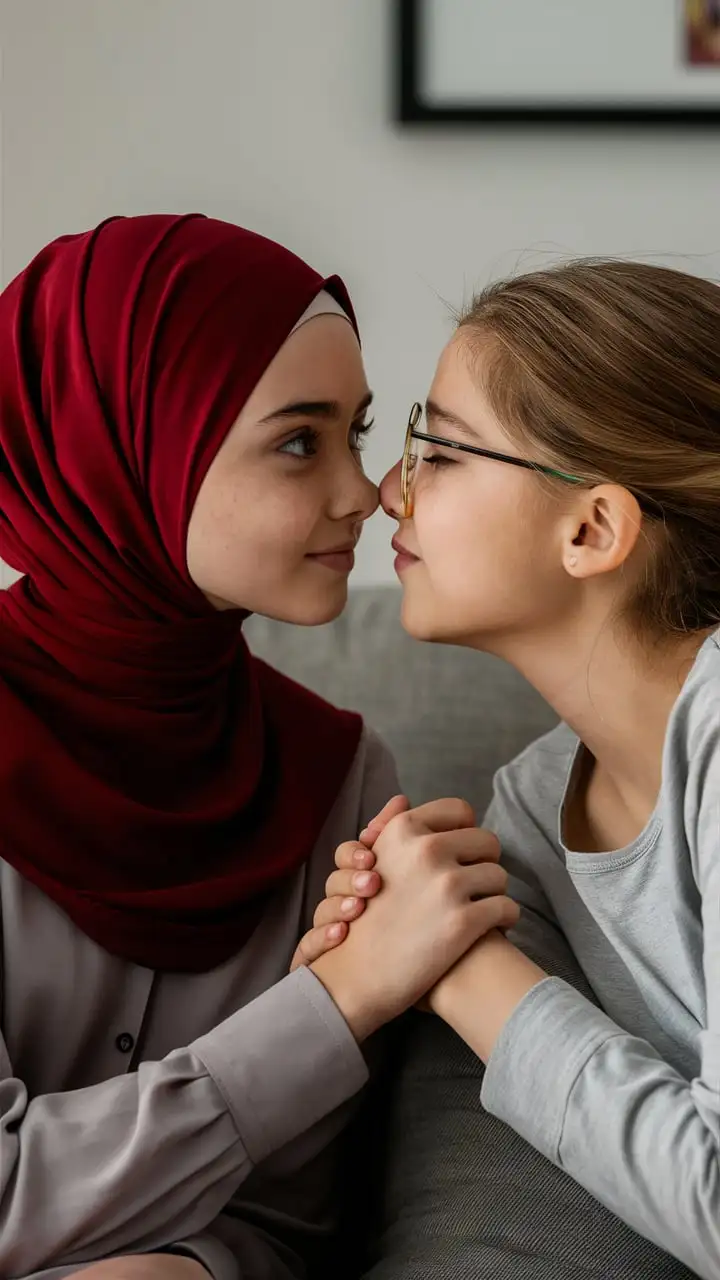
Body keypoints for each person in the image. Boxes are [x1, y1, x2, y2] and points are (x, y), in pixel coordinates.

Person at [0, 213, 520, 1280]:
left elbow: (297, 1215)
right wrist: (335, 1001)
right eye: (299, 440)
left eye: (359, 433)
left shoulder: (339, 774)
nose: (366, 493)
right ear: (124, 448)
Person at [308, 259, 720, 1279]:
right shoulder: (534, 810)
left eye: (439, 452)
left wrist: (458, 963)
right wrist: (371, 969)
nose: (389, 490)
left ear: (592, 529)